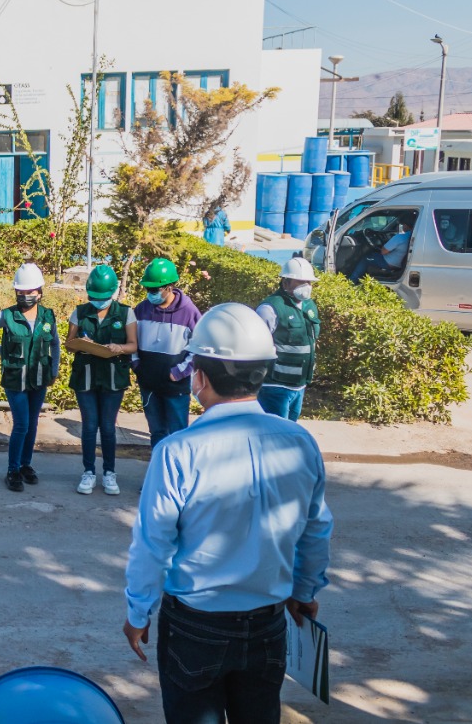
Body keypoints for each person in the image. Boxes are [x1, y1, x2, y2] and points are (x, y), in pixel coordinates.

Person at [122, 303, 333, 724]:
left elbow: (153, 543)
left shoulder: (177, 451)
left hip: (196, 628)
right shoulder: (300, 442)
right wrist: (305, 592)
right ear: (263, 372)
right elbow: (316, 530)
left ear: (198, 376)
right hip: (269, 624)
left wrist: (137, 613)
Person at [64, 264, 136, 496]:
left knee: (107, 426)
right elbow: (69, 343)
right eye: (94, 297)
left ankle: (109, 472)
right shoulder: (80, 312)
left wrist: (119, 347)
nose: (98, 301)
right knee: (89, 426)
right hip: (85, 376)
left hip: (113, 376)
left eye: (103, 297)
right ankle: (88, 471)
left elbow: (134, 345)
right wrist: (81, 344)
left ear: (113, 293)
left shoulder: (126, 313)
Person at [0, 263, 60, 493]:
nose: (26, 296)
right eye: (21, 292)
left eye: (31, 292)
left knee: (33, 423)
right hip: (15, 379)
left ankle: (26, 464)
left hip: (39, 378)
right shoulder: (7, 315)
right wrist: (2, 352)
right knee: (21, 424)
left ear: (39, 292)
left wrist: (54, 369)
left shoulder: (48, 316)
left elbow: (55, 343)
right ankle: (13, 469)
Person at [132, 258, 202, 448]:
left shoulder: (189, 312)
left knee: (178, 433)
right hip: (149, 385)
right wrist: (137, 365)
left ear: (169, 287)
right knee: (157, 432)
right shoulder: (141, 309)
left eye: (154, 290)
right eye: (147, 289)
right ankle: (158, 471)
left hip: (175, 387)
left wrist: (178, 372)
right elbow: (130, 342)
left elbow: (199, 349)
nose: (150, 294)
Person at [256, 257, 321, 422]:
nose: (306, 286)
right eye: (300, 282)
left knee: (289, 433)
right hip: (275, 387)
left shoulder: (309, 306)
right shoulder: (270, 308)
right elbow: (257, 346)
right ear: (285, 283)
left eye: (309, 282)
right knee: (274, 433)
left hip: (299, 385)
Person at [348, 219, 413, 283]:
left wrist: (382, 247)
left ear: (406, 225)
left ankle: (352, 281)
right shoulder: (411, 236)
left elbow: (383, 251)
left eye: (403, 224)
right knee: (373, 255)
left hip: (388, 263)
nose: (402, 226)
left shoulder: (401, 237)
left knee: (366, 258)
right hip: (398, 264)